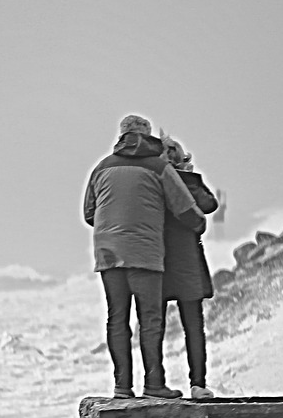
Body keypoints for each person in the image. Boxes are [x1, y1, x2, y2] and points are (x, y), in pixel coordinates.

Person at [83, 115, 207, 399]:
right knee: (149, 319)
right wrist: (199, 225)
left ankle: (122, 387)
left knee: (117, 318)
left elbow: (89, 214)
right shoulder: (160, 167)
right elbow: (186, 211)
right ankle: (153, 385)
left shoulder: (101, 168)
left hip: (108, 252)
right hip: (145, 253)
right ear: (148, 136)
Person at [159, 135, 220, 400]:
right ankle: (198, 383)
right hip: (185, 263)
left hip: (158, 261)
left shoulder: (153, 181)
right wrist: (190, 179)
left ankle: (155, 384)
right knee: (193, 326)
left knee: (155, 327)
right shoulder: (188, 183)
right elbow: (209, 204)